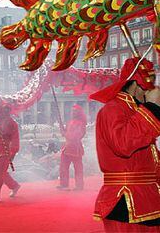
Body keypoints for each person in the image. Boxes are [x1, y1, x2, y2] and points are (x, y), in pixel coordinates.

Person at [90, 57, 160, 231]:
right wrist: (151, 107)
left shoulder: (137, 111)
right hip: (126, 198)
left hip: (148, 197)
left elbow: (149, 158)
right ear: (136, 85)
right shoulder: (112, 109)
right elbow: (123, 144)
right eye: (148, 89)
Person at [0, 105, 20, 203]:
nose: (5, 112)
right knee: (1, 172)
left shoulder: (13, 124)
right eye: (4, 109)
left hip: (7, 150)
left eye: (7, 110)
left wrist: (13, 151)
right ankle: (14, 185)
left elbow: (15, 138)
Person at [57, 104, 86, 191]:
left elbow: (76, 136)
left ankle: (79, 186)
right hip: (67, 147)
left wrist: (65, 134)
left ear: (78, 113)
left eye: (75, 111)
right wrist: (62, 129)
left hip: (75, 148)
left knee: (78, 168)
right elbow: (66, 132)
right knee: (63, 167)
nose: (73, 113)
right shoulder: (70, 121)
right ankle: (64, 184)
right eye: (72, 111)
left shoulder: (81, 123)